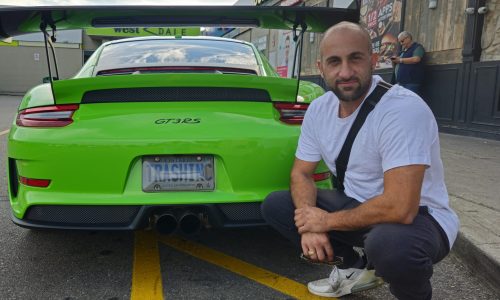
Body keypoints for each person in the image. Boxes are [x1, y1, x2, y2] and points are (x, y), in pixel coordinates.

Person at [261, 22, 459, 299]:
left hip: (421, 219)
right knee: (278, 205)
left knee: (390, 246)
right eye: (334, 62)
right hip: (358, 205)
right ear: (321, 68)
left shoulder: (402, 110)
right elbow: (301, 174)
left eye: (355, 58)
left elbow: (401, 208)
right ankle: (355, 271)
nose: (345, 72)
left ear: (373, 61)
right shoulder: (319, 109)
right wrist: (309, 224)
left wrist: (324, 222)